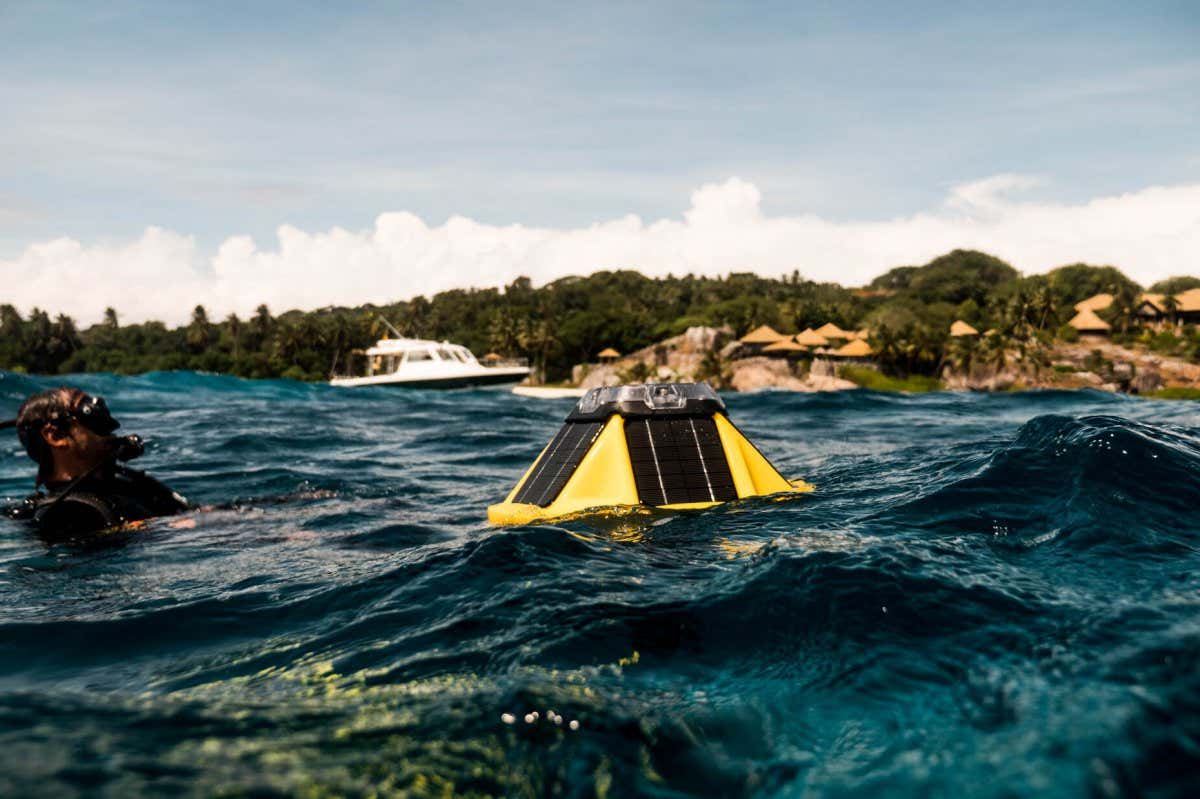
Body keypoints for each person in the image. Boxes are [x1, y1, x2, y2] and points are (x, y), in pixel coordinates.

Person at [2, 387, 190, 538]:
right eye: (89, 413)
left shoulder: (130, 483)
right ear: (56, 436)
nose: (109, 425)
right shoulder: (65, 515)